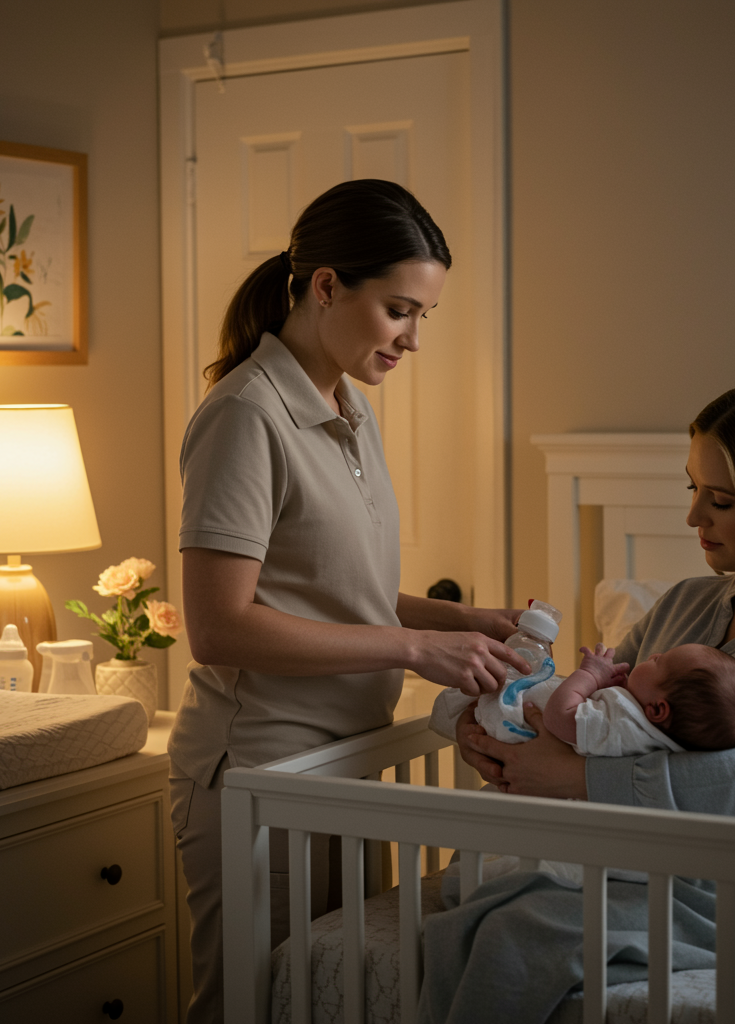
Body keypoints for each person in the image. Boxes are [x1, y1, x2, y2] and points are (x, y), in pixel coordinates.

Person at [418, 378, 735, 1024]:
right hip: (657, 859)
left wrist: (576, 777)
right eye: (693, 490)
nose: (694, 518)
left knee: (517, 934)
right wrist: (492, 736)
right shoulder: (687, 603)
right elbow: (590, 717)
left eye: (720, 500)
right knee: (466, 901)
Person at [166, 179, 529, 1024]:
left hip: (345, 761)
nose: (411, 338)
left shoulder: (348, 408)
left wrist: (464, 622)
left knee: (328, 1003)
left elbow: (337, 591)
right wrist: (411, 650)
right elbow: (220, 628)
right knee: (252, 1008)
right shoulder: (245, 417)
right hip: (262, 767)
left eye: (421, 318)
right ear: (326, 286)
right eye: (399, 310)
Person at [432, 641, 735, 754]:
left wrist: (590, 676)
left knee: (497, 689)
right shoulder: (644, 727)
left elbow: (561, 717)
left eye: (658, 661)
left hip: (524, 729)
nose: (654, 653)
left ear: (658, 708)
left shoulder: (624, 724)